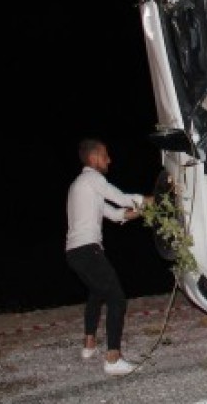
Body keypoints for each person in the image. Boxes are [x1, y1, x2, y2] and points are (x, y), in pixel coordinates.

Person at [65, 137, 153, 376]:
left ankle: (88, 345)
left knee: (97, 293)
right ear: (94, 158)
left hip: (74, 253)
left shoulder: (79, 186)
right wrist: (152, 198)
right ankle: (113, 358)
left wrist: (146, 209)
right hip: (87, 250)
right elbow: (123, 198)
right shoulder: (93, 179)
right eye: (105, 156)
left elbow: (116, 214)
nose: (109, 160)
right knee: (117, 299)